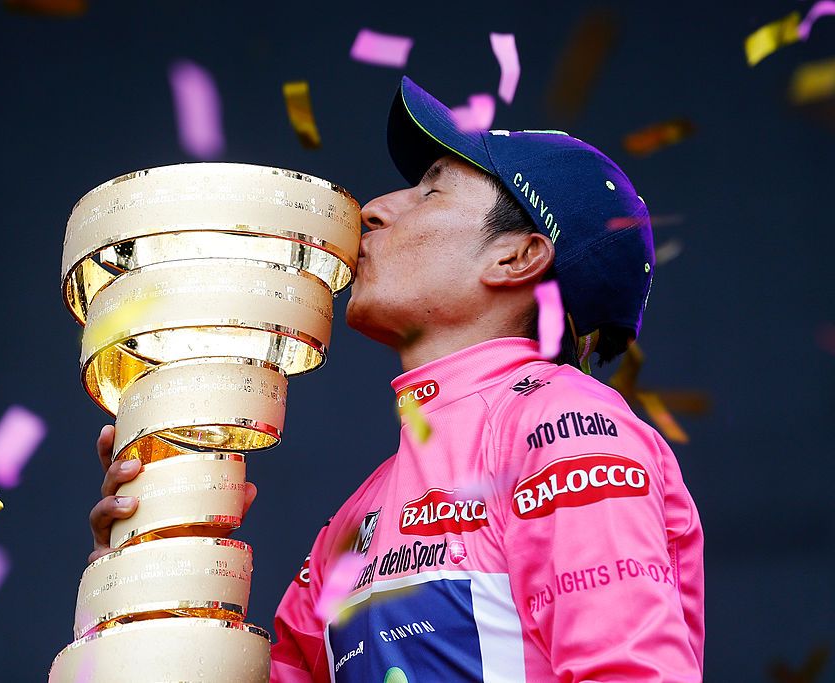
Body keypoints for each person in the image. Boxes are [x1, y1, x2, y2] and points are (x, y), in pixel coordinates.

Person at [88, 76, 705, 682]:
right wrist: (139, 577)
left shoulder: (565, 429)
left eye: (431, 191)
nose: (374, 209)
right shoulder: (361, 516)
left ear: (516, 257)